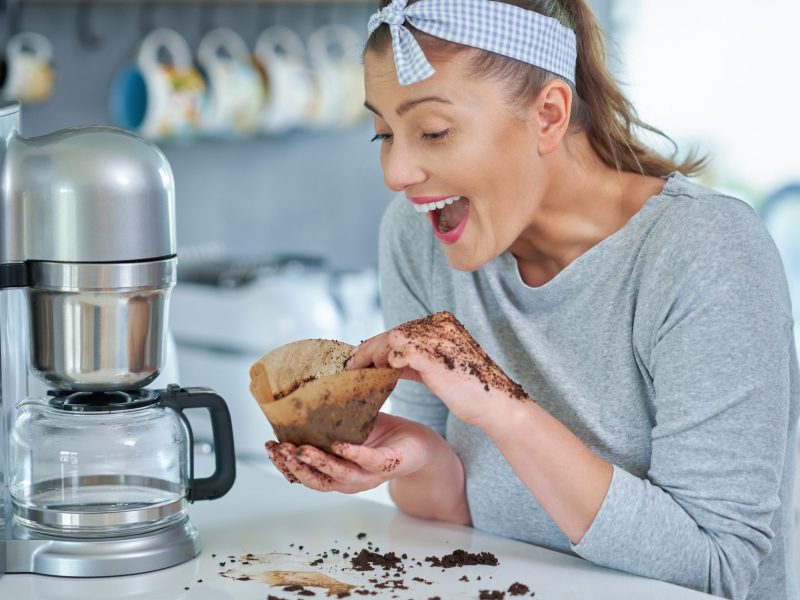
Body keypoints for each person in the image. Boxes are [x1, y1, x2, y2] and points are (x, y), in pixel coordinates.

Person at [266, 1, 800, 599]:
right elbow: (448, 522)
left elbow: (718, 569)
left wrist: (503, 409)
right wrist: (420, 457)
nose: (397, 171)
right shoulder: (417, 235)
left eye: (434, 131)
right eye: (384, 134)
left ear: (548, 115)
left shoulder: (702, 252)